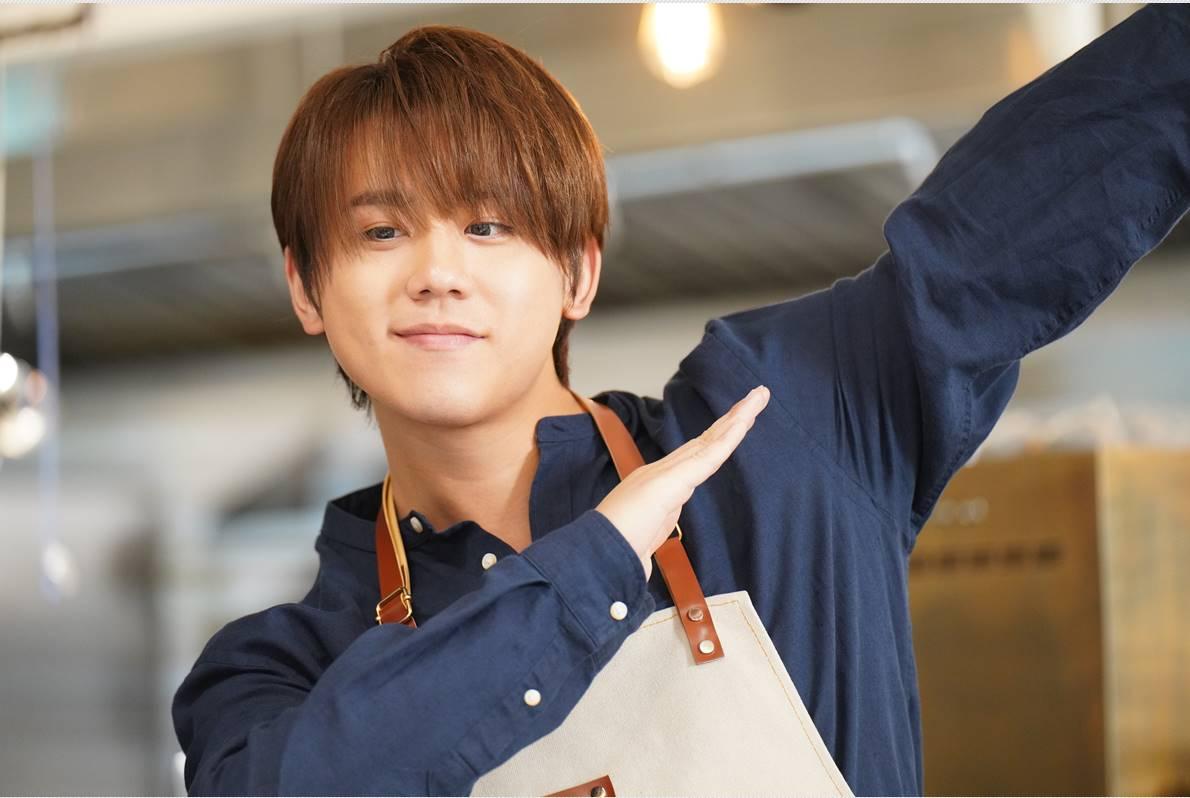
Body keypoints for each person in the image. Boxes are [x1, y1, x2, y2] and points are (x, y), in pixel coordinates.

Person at [172, 5, 1190, 795]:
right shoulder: (273, 676)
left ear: (578, 273)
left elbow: (1024, 209)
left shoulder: (781, 431)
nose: (438, 273)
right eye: (381, 233)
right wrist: (602, 556)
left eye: (486, 226)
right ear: (306, 287)